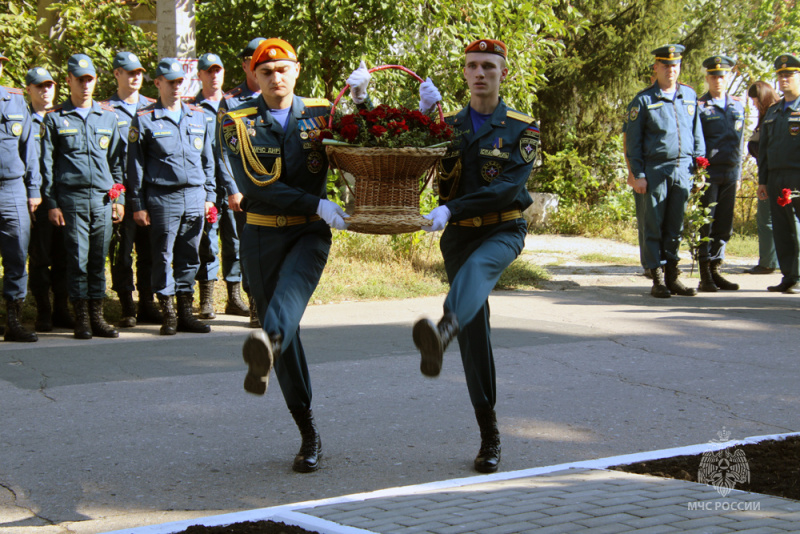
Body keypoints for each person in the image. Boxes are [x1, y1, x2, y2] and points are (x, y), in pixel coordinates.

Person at [407, 39, 539, 473]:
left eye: (488, 66)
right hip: (459, 236)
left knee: (480, 272)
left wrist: (452, 208)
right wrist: (425, 118)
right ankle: (489, 435)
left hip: (503, 227)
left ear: (503, 73)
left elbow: (505, 188)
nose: (479, 73)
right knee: (476, 333)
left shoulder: (523, 127)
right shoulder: (451, 126)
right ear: (464, 74)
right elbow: (410, 154)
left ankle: (444, 328)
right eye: (471, 66)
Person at [220, 38, 348, 473]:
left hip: (309, 236)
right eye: (266, 71)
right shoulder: (235, 119)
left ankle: (266, 346)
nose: (276, 78)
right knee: (286, 335)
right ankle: (307, 430)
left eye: (283, 69)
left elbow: (360, 149)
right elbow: (256, 186)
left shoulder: (322, 113)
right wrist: (316, 203)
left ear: (297, 70)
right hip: (261, 238)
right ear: (254, 77)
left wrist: (361, 103)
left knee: (284, 312)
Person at [127, 58, 216, 334]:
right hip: (163, 197)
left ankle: (186, 311)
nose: (176, 86)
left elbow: (208, 160)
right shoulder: (144, 119)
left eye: (179, 81)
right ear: (157, 83)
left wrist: (210, 195)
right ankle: (168, 313)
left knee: (190, 254)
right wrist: (138, 204)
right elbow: (135, 166)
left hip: (194, 194)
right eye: (170, 81)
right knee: (163, 255)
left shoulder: (197, 115)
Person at [41, 53, 124, 339]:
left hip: (102, 200)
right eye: (80, 79)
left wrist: (119, 200)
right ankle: (81, 319)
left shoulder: (108, 117)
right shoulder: (55, 119)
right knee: (77, 259)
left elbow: (116, 165)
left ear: (96, 80)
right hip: (72, 200)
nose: (85, 85)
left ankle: (97, 316)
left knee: (98, 259)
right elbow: (47, 166)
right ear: (69, 81)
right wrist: (52, 203)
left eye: (89, 79)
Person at [624, 44, 705, 298]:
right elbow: (632, 142)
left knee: (675, 225)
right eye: (666, 65)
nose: (671, 70)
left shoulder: (690, 96)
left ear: (679, 67)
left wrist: (699, 171)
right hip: (655, 170)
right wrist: (638, 174)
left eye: (675, 65)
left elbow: (697, 134)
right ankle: (657, 278)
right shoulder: (643, 100)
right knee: (652, 225)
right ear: (656, 67)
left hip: (683, 168)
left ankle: (673, 277)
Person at [102, 51, 161, 328]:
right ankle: (127, 305)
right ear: (117, 74)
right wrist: (117, 197)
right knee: (122, 252)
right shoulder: (106, 110)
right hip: (123, 194)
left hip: (150, 193)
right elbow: (108, 158)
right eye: (129, 72)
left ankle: (147, 303)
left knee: (149, 250)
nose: (136, 76)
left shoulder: (152, 106)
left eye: (139, 72)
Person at [192, 52, 248, 320]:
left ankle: (234, 297)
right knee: (208, 242)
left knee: (236, 240)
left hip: (234, 185)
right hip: (207, 187)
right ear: (199, 75)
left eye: (218, 70)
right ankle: (207, 299)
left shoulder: (235, 104)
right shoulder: (192, 109)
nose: (214, 75)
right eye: (208, 71)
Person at [220, 37, 267, 328]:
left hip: (274, 186)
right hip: (246, 188)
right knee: (249, 245)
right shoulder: (231, 100)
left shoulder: (280, 95)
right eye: (255, 61)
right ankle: (255, 303)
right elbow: (223, 150)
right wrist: (233, 188)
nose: (260, 66)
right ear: (245, 64)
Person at [25, 66, 74, 334]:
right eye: (39, 86)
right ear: (29, 90)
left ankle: (61, 310)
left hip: (63, 198)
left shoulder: (63, 117)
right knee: (40, 258)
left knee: (63, 256)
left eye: (49, 85)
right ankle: (43, 311)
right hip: (36, 202)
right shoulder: (23, 119)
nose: (45, 90)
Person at [0, 52, 40, 342]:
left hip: (12, 188)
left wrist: (34, 189)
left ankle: (13, 320)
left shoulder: (15, 101)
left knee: (16, 254)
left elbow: (29, 149)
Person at [696, 55, 745, 292]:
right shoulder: (700, 106)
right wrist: (698, 174)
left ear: (728, 77)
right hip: (709, 174)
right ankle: (704, 273)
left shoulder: (737, 105)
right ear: (707, 78)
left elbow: (740, 141)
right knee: (706, 223)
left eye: (722, 76)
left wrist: (739, 174)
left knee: (724, 226)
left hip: (731, 172)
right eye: (713, 76)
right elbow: (696, 141)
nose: (718, 80)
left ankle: (716, 269)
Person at [756, 54, 800, 293]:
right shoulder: (773, 112)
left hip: (798, 176)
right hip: (775, 177)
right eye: (781, 75)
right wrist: (763, 181)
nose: (784, 79)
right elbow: (764, 150)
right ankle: (790, 276)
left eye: (789, 75)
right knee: (783, 229)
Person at [745, 80, 781, 274]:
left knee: (768, 220)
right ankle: (771, 260)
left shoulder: (775, 114)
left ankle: (768, 262)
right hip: (767, 173)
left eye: (755, 100)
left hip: (775, 175)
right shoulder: (768, 116)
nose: (753, 105)